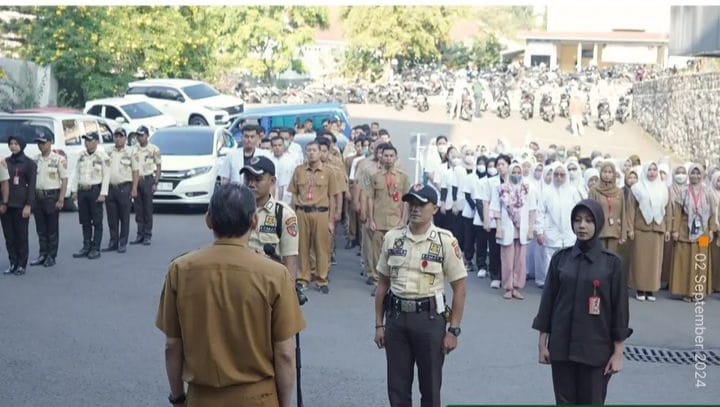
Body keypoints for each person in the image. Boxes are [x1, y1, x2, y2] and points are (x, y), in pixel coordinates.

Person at [155, 184, 305, 407]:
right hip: (259, 398)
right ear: (254, 222)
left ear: (209, 220)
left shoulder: (181, 269)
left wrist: (177, 397)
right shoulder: (275, 274)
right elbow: (285, 353)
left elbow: (172, 346)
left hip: (201, 398)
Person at [373, 183, 467, 407]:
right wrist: (379, 324)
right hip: (396, 318)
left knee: (431, 387)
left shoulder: (445, 241)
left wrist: (453, 330)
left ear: (434, 208)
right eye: (411, 204)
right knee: (397, 388)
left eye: (421, 204)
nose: (414, 209)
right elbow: (382, 284)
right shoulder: (393, 238)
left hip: (430, 320)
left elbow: (460, 287)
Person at [532, 199, 633, 405]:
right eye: (577, 220)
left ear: (598, 223)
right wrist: (542, 343)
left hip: (595, 351)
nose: (582, 225)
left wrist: (618, 353)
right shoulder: (561, 259)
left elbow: (620, 311)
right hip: (562, 348)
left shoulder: (612, 263)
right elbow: (548, 302)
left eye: (588, 220)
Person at [288, 139, 339, 294]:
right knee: (302, 247)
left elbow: (332, 197)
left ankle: (321, 278)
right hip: (302, 212)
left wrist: (331, 220)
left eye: (314, 150)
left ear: (320, 152)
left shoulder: (328, 172)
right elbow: (294, 193)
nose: (311, 153)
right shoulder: (299, 170)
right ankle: (303, 278)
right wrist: (291, 216)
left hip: (321, 213)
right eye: (308, 150)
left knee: (321, 247)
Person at [242, 156, 299, 280]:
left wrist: (289, 295)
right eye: (248, 179)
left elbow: (290, 261)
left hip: (269, 283)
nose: (251, 184)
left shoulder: (283, 214)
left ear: (272, 181)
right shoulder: (235, 210)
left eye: (257, 179)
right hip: (240, 282)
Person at [626, 162, 671, 302]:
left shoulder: (663, 189)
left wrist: (668, 228)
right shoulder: (637, 188)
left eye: (654, 170)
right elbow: (631, 209)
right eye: (649, 170)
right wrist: (630, 228)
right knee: (640, 260)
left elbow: (668, 210)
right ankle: (640, 288)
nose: (652, 172)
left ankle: (651, 289)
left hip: (657, 230)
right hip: (641, 229)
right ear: (645, 171)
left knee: (654, 262)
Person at [491, 162, 536, 300]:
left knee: (520, 261)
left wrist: (530, 229)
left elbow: (532, 210)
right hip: (507, 227)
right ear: (509, 173)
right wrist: (498, 228)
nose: (516, 175)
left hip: (522, 228)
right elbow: (496, 209)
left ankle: (517, 287)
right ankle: (508, 287)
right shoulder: (501, 188)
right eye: (514, 172)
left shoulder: (528, 189)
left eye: (518, 172)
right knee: (507, 260)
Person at [367, 145, 410, 293]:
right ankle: (377, 283)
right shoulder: (374, 176)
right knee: (377, 254)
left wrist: (403, 221)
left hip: (395, 222)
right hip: (378, 222)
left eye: (391, 156)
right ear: (381, 157)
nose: (388, 158)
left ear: (396, 158)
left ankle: (393, 284)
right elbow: (370, 199)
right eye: (386, 155)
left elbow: (406, 201)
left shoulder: (403, 177)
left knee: (396, 254)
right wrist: (370, 219)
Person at [669, 163, 714, 301]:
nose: (695, 176)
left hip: (703, 232)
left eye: (698, 173)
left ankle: (698, 292)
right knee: (685, 261)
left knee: (701, 260)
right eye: (693, 173)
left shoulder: (708, 192)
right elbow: (677, 212)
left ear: (702, 175)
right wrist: (675, 230)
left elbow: (712, 213)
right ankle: (686, 291)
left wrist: (711, 230)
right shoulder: (683, 192)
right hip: (684, 231)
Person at [535, 163, 582, 289]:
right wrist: (539, 231)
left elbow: (579, 212)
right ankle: (550, 286)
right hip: (551, 232)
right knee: (550, 261)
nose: (559, 177)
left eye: (562, 175)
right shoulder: (546, 192)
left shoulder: (573, 192)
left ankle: (566, 286)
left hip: (568, 234)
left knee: (569, 260)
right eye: (556, 174)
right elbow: (540, 213)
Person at [30, 134, 68, 268]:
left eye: (43, 142)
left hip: (51, 196)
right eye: (38, 143)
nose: (41, 145)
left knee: (52, 229)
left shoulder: (58, 159)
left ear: (50, 142)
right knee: (40, 228)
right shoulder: (35, 160)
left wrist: (61, 198)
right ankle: (42, 254)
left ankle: (51, 256)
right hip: (38, 196)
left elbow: (64, 179)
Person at [70, 132, 109, 260]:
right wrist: (74, 190)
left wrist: (103, 193)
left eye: (90, 140)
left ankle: (95, 248)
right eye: (85, 140)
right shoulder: (81, 156)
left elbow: (106, 176)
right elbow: (76, 173)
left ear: (96, 142)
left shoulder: (102, 156)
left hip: (95, 190)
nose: (87, 142)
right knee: (85, 220)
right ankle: (86, 246)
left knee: (97, 221)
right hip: (83, 191)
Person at [1, 135, 37, 275]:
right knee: (9, 237)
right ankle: (13, 262)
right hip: (6, 204)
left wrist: (29, 205)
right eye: (11, 143)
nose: (13, 146)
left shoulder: (29, 163)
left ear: (21, 145)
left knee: (21, 236)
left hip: (21, 205)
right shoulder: (5, 162)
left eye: (16, 144)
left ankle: (22, 264)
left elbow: (32, 186)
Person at [104, 128, 138, 253]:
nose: (118, 139)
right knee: (111, 217)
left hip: (124, 187)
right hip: (110, 187)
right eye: (116, 136)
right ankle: (113, 241)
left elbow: (135, 171)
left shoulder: (131, 152)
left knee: (124, 216)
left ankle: (123, 242)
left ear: (125, 138)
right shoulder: (108, 152)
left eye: (120, 136)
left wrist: (134, 188)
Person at [130, 126, 161, 246]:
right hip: (137, 179)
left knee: (147, 208)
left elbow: (158, 167)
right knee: (138, 208)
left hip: (148, 179)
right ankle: (140, 234)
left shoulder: (154, 149)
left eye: (141, 135)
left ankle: (147, 234)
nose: (139, 138)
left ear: (147, 135)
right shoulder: (134, 149)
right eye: (138, 135)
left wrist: (156, 182)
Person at [588, 161, 626, 254]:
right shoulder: (594, 191)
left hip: (614, 232)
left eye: (610, 172)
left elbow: (623, 213)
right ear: (600, 173)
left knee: (612, 259)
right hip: (599, 231)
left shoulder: (619, 192)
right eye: (604, 172)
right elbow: (590, 212)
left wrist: (623, 233)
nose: (607, 175)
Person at [481, 154, 502, 289]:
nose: (500, 167)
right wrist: (486, 220)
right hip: (493, 221)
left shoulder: (511, 182)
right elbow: (486, 202)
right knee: (494, 249)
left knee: (506, 252)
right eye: (498, 164)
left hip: (508, 222)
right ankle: (495, 275)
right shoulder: (490, 182)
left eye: (503, 164)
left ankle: (505, 276)